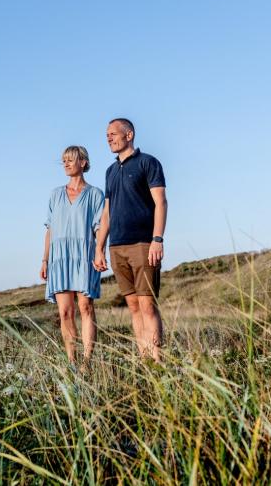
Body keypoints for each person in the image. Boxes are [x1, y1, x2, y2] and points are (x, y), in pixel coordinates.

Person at [93, 119, 167, 362]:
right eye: (107, 136)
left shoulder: (148, 163)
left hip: (144, 244)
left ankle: (158, 362)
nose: (109, 139)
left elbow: (161, 203)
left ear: (129, 134)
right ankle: (144, 360)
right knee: (133, 307)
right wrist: (99, 248)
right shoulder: (110, 171)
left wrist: (157, 239)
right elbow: (107, 212)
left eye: (113, 134)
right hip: (117, 246)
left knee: (147, 306)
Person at [40, 146, 105, 366]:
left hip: (84, 254)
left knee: (86, 307)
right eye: (64, 161)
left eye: (71, 160)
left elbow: (99, 227)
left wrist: (99, 252)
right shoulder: (55, 194)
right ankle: (72, 362)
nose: (66, 164)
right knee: (65, 312)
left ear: (83, 163)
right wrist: (45, 260)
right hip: (59, 257)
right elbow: (50, 229)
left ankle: (87, 363)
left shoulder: (95, 194)